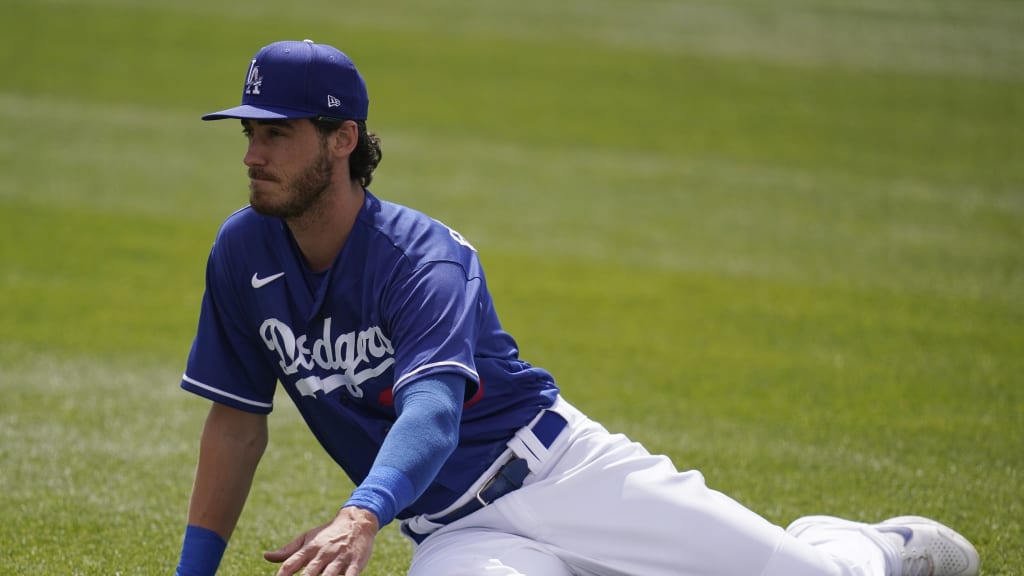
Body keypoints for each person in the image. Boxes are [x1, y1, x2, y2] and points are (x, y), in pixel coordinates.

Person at [174, 39, 981, 576]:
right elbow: (238, 424)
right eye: (247, 133)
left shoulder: (422, 258)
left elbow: (432, 411)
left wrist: (360, 514)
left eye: (276, 134)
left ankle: (862, 547)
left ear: (342, 139)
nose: (251, 155)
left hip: (564, 472)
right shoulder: (242, 253)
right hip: (459, 536)